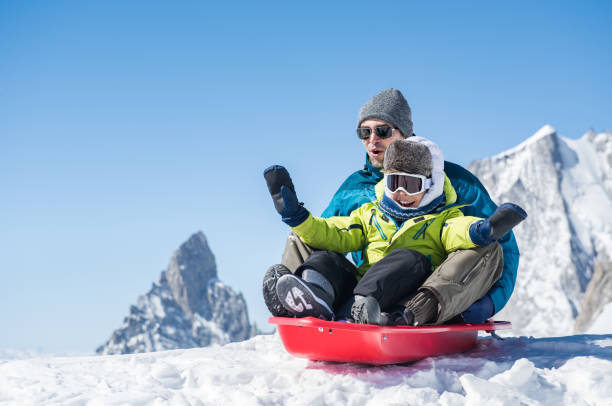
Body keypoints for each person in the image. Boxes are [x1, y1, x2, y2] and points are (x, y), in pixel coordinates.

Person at [263, 88, 521, 325]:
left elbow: (497, 245)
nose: (372, 140)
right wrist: (298, 217)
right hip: (363, 286)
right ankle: (305, 304)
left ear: (405, 134)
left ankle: (409, 311)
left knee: (486, 245)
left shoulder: (454, 183)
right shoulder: (356, 188)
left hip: (420, 287)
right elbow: (329, 234)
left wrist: (490, 303)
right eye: (365, 133)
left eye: (382, 131)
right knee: (302, 236)